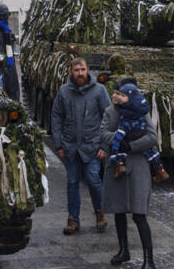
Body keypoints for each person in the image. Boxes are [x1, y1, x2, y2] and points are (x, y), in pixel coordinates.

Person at [101, 85, 159, 268]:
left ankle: (149, 259)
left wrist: (131, 145)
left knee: (139, 214)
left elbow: (152, 137)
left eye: (121, 94)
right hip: (117, 166)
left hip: (138, 166)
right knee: (119, 211)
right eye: (115, 93)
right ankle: (123, 251)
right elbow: (103, 134)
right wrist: (119, 139)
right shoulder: (110, 112)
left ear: (130, 97)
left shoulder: (141, 111)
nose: (116, 96)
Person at [51, 57, 110, 235]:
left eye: (82, 70)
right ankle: (73, 219)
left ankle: (100, 212)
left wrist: (104, 146)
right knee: (72, 182)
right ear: (71, 72)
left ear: (88, 70)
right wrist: (58, 144)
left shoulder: (99, 91)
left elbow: (108, 118)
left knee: (93, 178)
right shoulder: (64, 91)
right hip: (71, 147)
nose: (80, 73)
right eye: (76, 70)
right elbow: (56, 117)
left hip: (92, 146)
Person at [109, 82, 169, 183]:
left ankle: (119, 165)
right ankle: (160, 169)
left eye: (122, 95)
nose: (118, 97)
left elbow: (126, 119)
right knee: (150, 150)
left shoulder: (127, 106)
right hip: (141, 130)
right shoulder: (141, 105)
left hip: (128, 128)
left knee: (117, 143)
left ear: (130, 98)